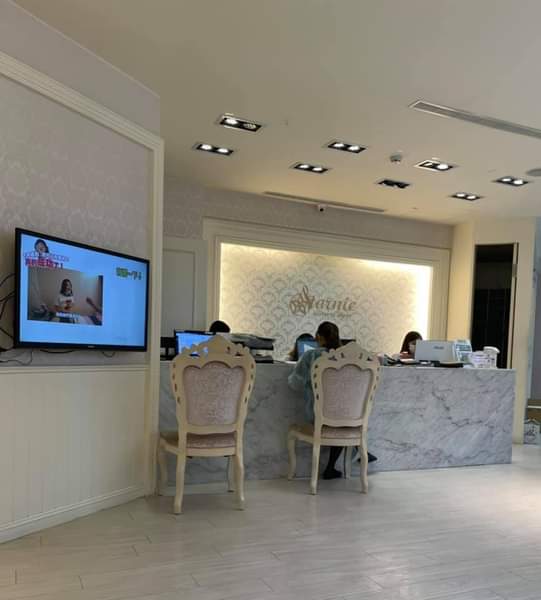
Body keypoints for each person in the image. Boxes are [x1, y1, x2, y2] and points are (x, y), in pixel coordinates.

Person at [288, 321, 348, 479]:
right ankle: (331, 467)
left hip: (318, 416)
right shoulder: (346, 358)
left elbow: (295, 384)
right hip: (345, 416)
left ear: (318, 337)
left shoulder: (310, 356)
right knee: (342, 423)